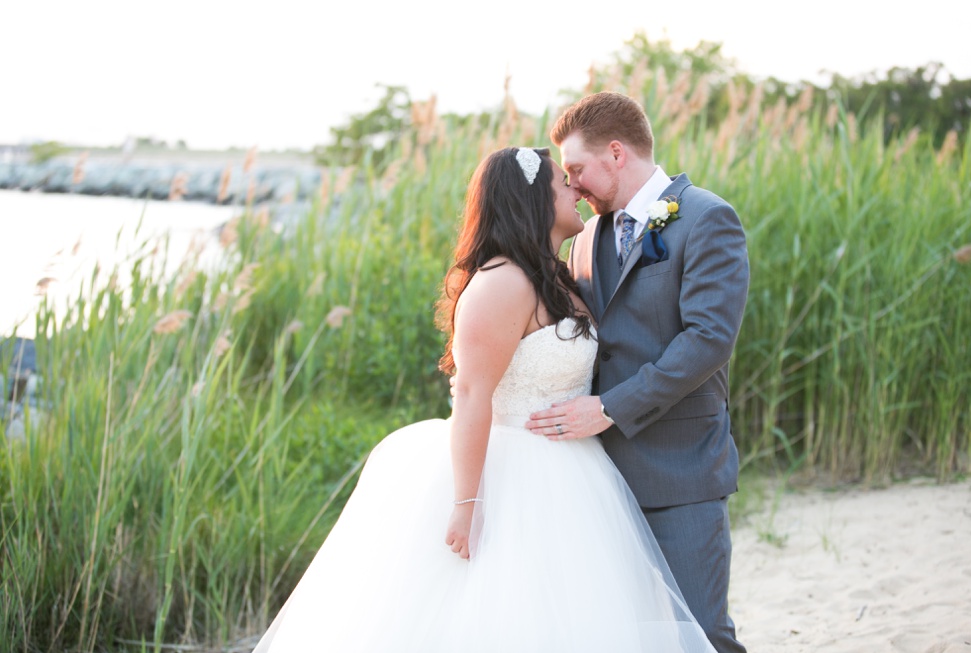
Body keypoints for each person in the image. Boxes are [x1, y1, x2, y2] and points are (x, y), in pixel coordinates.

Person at [252, 146, 715, 652]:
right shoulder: (501, 283)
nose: (577, 190)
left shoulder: (556, 276)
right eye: (565, 183)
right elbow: (472, 395)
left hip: (577, 473)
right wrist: (467, 502)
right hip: (514, 475)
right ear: (534, 200)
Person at [526, 92, 750, 653]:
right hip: (598, 479)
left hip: (682, 468)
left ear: (618, 153)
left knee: (701, 633)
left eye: (576, 169)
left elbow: (707, 340)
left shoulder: (706, 218)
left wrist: (607, 408)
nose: (572, 185)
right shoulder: (586, 236)